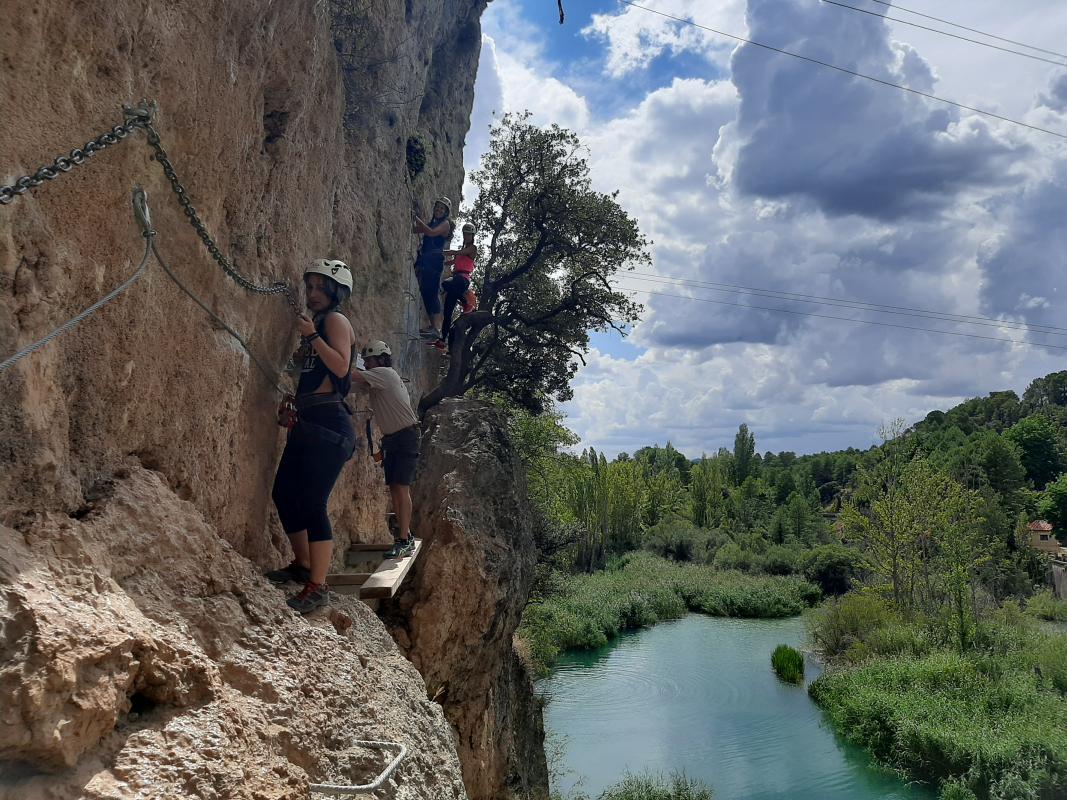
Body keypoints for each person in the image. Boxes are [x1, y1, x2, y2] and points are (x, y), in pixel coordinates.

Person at [265, 259, 356, 614]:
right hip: (311, 418)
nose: (314, 294)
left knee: (313, 502)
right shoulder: (318, 324)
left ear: (336, 293)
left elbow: (341, 366)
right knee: (284, 492)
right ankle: (303, 565)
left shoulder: (334, 321)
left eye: (322, 288)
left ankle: (318, 586)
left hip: (330, 422)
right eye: (311, 287)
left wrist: (313, 336)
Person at [351, 341, 420, 558]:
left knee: (401, 488)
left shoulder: (384, 374)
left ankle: (403, 539)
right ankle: (405, 536)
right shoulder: (381, 377)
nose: (367, 365)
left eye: (369, 360)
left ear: (380, 359)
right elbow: (354, 384)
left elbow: (351, 376)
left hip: (404, 437)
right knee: (395, 489)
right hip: (397, 438)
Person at [412, 196, 454, 340]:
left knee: (432, 292)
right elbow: (421, 230)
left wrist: (416, 218)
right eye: (438, 207)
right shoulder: (434, 222)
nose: (439, 210)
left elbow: (429, 232)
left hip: (435, 261)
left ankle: (436, 328)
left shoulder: (445, 224)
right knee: (425, 291)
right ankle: (432, 327)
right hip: (427, 258)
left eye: (442, 208)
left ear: (446, 212)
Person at [436, 222, 477, 350]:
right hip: (456, 281)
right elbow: (451, 261)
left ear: (472, 235)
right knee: (447, 312)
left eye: (468, 234)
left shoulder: (472, 248)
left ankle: (466, 303)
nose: (466, 236)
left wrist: (440, 252)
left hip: (462, 279)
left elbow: (457, 252)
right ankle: (442, 340)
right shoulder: (461, 252)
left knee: (445, 283)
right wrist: (438, 259)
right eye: (464, 234)